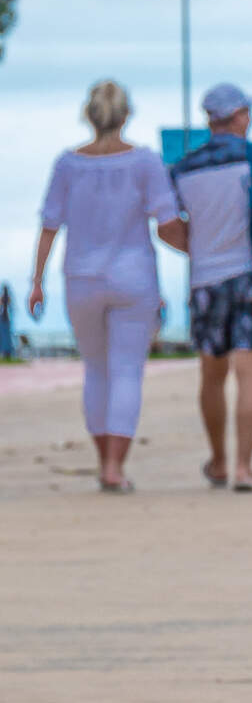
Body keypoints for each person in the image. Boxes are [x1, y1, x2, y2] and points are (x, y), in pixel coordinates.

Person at [30, 80, 187, 491]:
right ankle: (116, 466)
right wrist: (201, 251)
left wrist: (36, 281)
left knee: (96, 370)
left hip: (81, 277)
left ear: (89, 114)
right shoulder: (145, 162)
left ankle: (105, 462)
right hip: (134, 277)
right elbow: (167, 222)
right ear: (126, 115)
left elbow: (49, 224)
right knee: (126, 372)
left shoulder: (67, 163)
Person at [171, 82, 252, 492]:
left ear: (210, 120)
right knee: (250, 375)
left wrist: (198, 249)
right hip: (251, 277)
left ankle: (219, 461)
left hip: (206, 280)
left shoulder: (184, 168)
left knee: (211, 376)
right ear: (240, 116)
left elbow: (167, 226)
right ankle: (245, 467)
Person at [0, 285, 14, 359]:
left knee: (5, 336)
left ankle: (6, 352)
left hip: (5, 319)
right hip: (4, 319)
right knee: (5, 336)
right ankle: (6, 352)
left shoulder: (6, 298)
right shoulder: (5, 298)